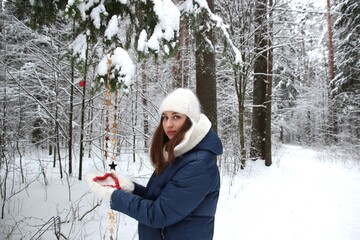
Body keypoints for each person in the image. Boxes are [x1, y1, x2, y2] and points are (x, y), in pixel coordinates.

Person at [87, 88, 223, 240]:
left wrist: (114, 196)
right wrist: (129, 188)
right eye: (165, 117)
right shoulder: (180, 154)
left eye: (176, 117)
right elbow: (161, 200)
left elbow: (159, 214)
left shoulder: (199, 165)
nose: (168, 124)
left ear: (191, 121)